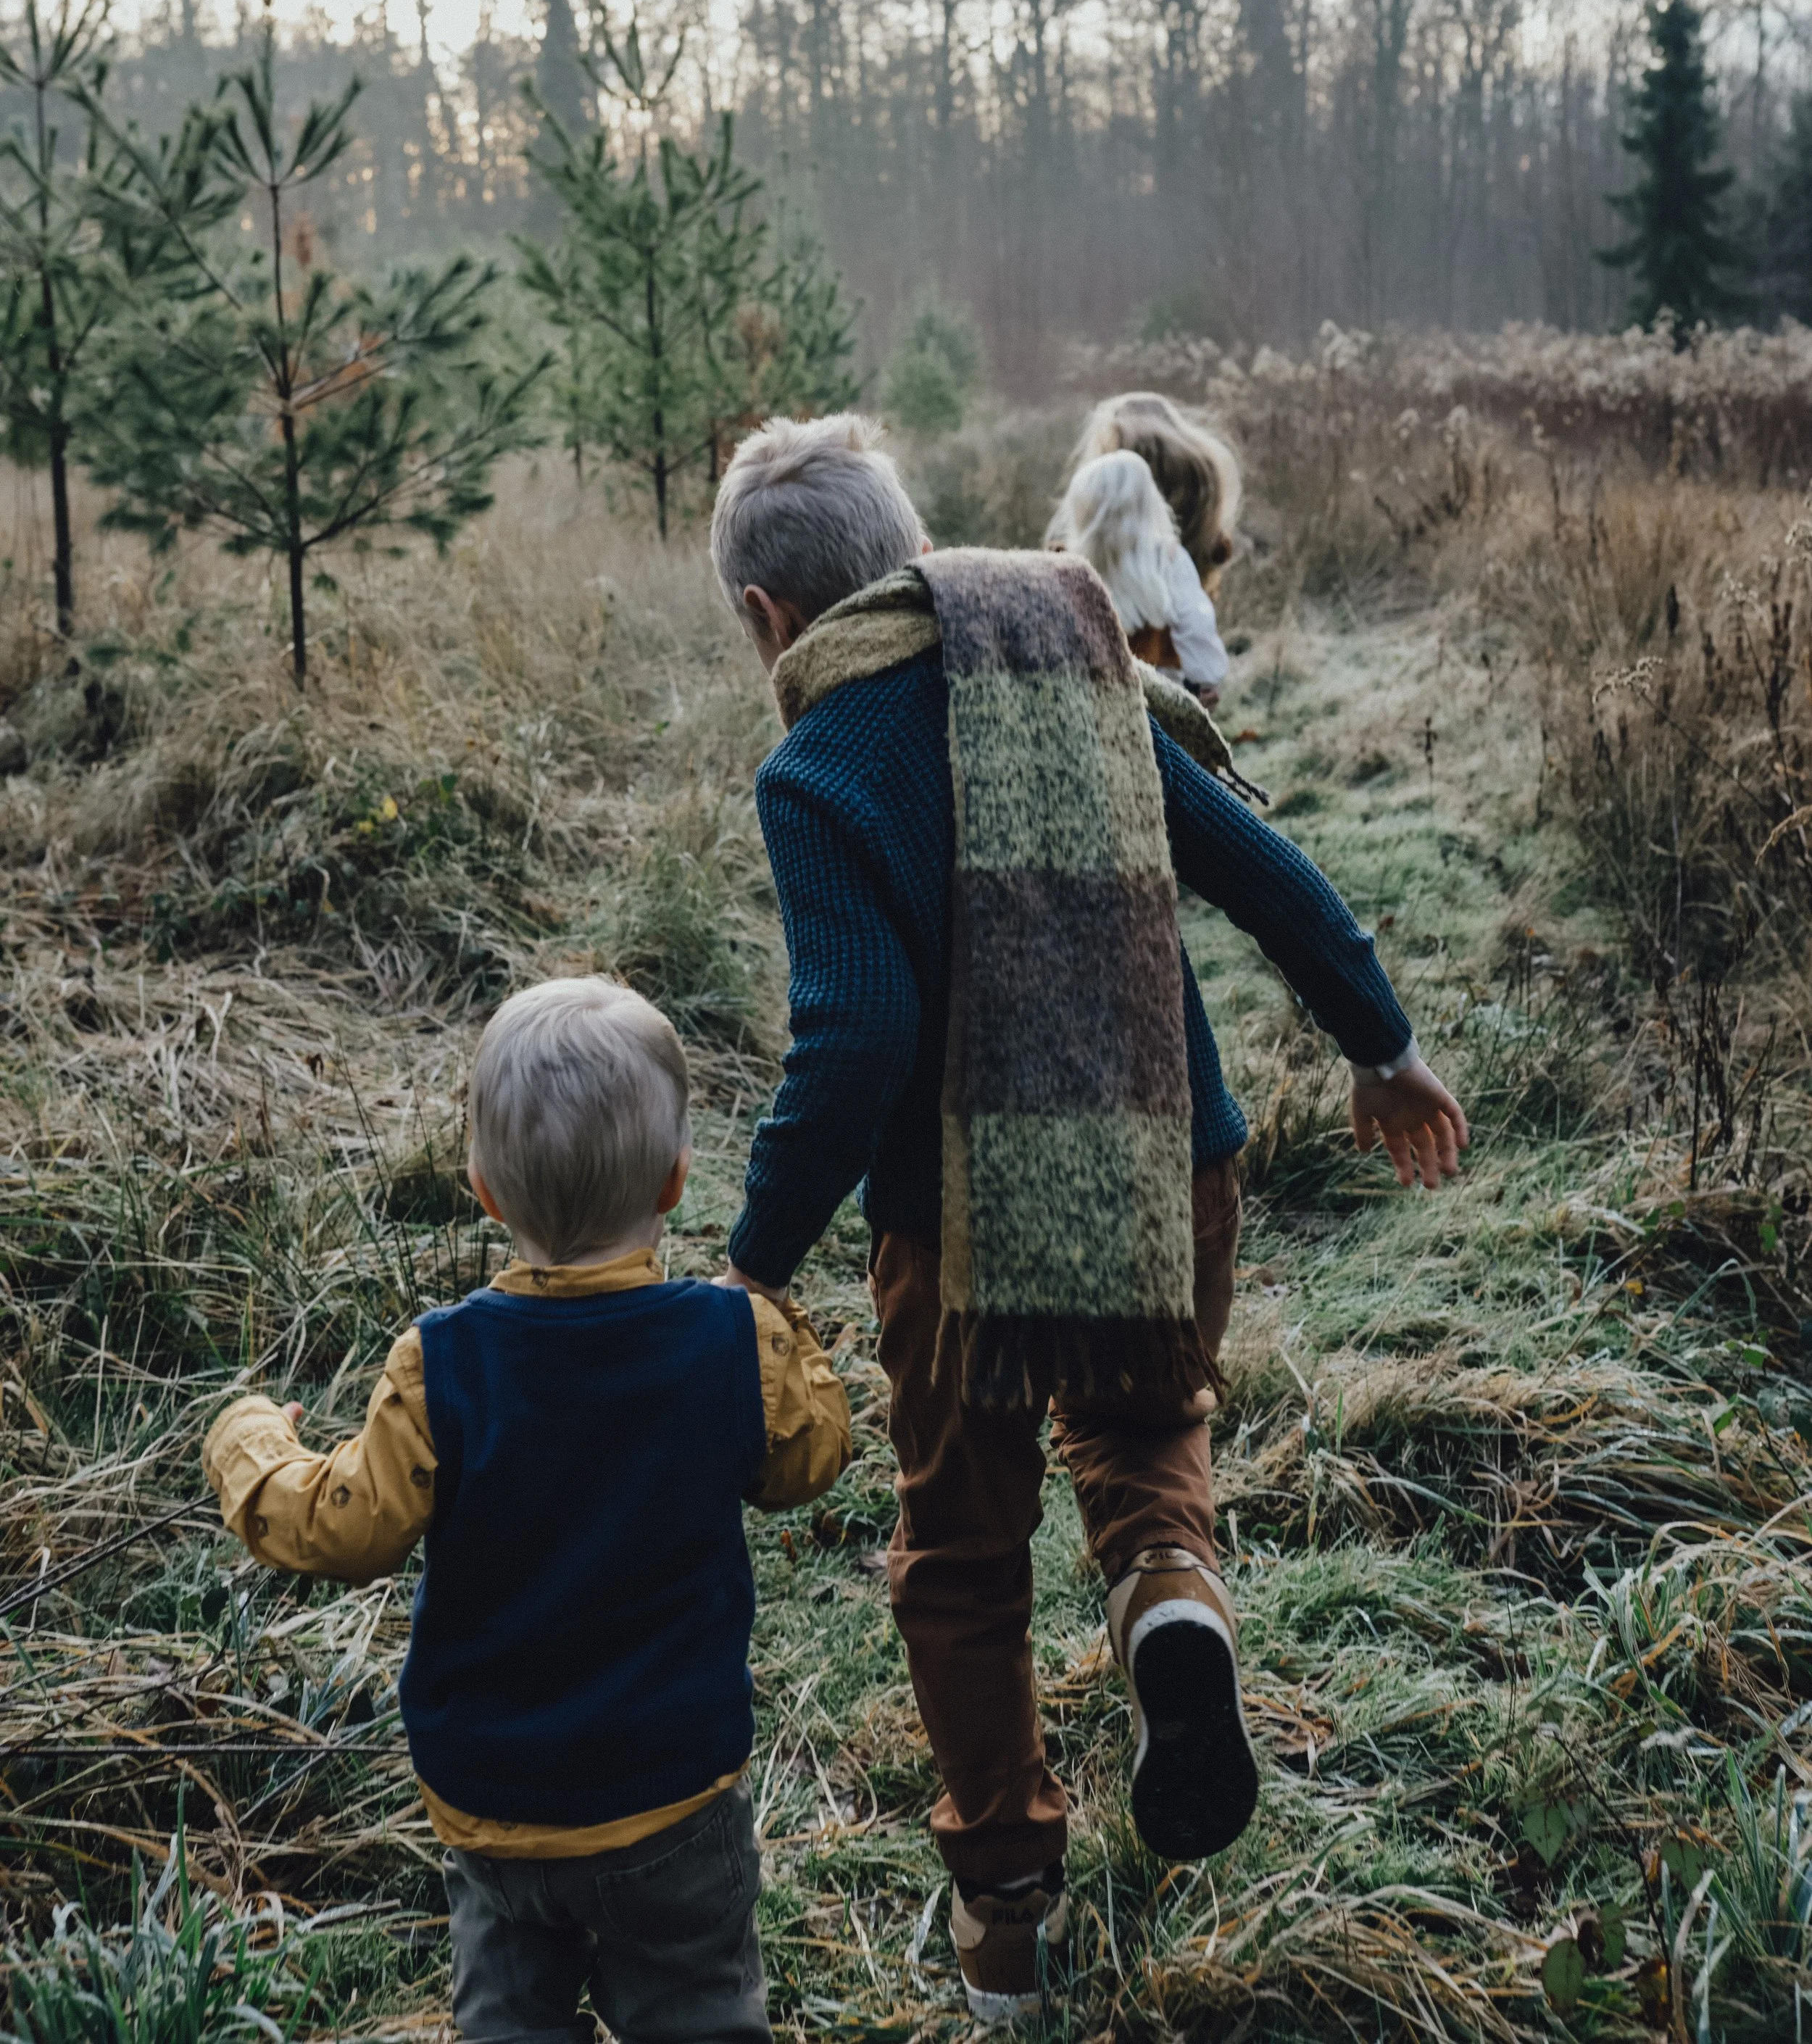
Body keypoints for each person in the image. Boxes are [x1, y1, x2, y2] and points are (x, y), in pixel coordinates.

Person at [709, 412, 1466, 2023]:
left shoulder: (821, 764)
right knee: (1141, 1436)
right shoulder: (1065, 664)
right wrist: (1380, 1045)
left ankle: (1004, 1917)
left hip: (950, 1227)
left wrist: (753, 1260)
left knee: (964, 1555)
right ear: (908, 552)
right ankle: (1168, 1602)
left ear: (771, 624)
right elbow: (1256, 864)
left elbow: (855, 1040)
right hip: (1163, 1161)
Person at [201, 976, 851, 2044]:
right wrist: (779, 1329)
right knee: (698, 2011)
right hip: (676, 1797)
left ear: (484, 1189)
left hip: (500, 1807)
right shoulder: (730, 1342)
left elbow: (343, 1524)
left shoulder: (443, 1363)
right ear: (680, 1179)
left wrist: (249, 1443)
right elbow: (812, 1459)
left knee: (508, 2017)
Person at [1047, 444, 1228, 700]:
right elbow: (1197, 630)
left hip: (1088, 699)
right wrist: (1206, 681)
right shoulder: (1169, 559)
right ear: (1148, 501)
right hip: (1160, 702)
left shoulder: (1067, 566)